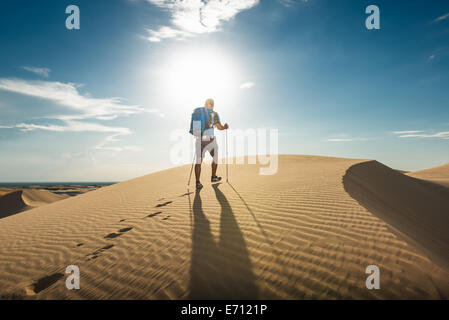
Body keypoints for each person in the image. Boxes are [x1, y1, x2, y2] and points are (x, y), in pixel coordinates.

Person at [194, 98, 229, 190]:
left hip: (200, 139)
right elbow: (219, 127)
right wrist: (225, 127)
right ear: (212, 106)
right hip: (210, 139)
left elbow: (195, 130)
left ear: (205, 104)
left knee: (198, 161)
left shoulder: (198, 114)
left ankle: (197, 182)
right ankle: (213, 177)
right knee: (215, 157)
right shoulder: (214, 114)